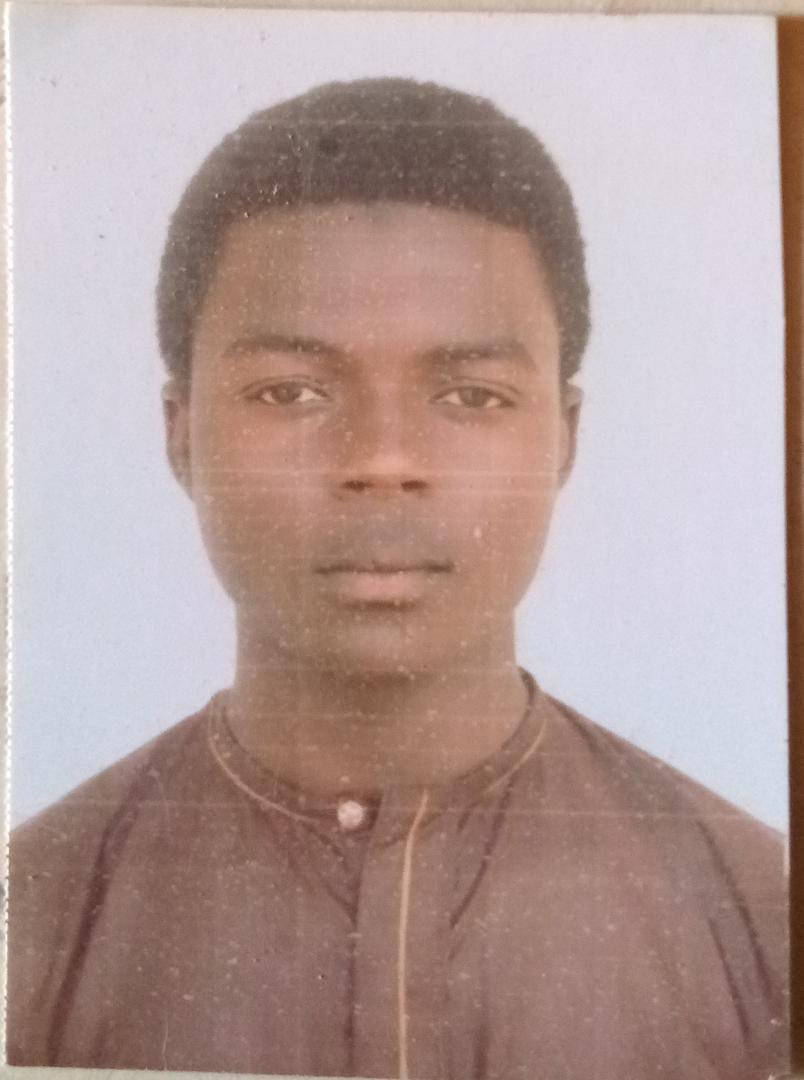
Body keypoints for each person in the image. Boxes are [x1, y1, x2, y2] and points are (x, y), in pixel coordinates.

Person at [8, 78, 787, 1080]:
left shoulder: (767, 921)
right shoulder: (31, 922)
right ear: (181, 433)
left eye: (472, 395)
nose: (382, 459)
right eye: (292, 391)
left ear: (563, 437)